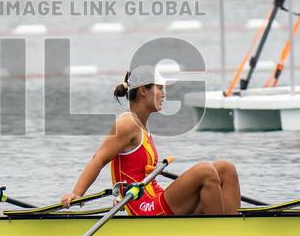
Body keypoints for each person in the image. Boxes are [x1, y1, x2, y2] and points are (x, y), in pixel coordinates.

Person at [60, 66, 241, 215]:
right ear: (143, 91)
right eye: (160, 88)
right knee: (205, 171)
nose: (164, 94)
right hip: (144, 207)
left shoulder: (141, 126)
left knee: (226, 169)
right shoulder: (127, 123)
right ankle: (219, 235)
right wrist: (77, 194)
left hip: (156, 196)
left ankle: (231, 228)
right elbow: (98, 159)